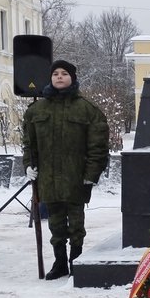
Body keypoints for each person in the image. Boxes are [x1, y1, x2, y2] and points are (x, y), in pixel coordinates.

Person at [22, 59, 109, 280]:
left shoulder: (87, 110)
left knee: (76, 226)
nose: (59, 77)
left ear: (72, 78)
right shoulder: (36, 110)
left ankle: (76, 261)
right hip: (48, 179)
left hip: (76, 179)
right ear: (50, 78)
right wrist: (28, 166)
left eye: (64, 73)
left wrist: (91, 175)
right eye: (55, 74)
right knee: (55, 225)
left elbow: (98, 146)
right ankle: (60, 263)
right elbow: (29, 145)